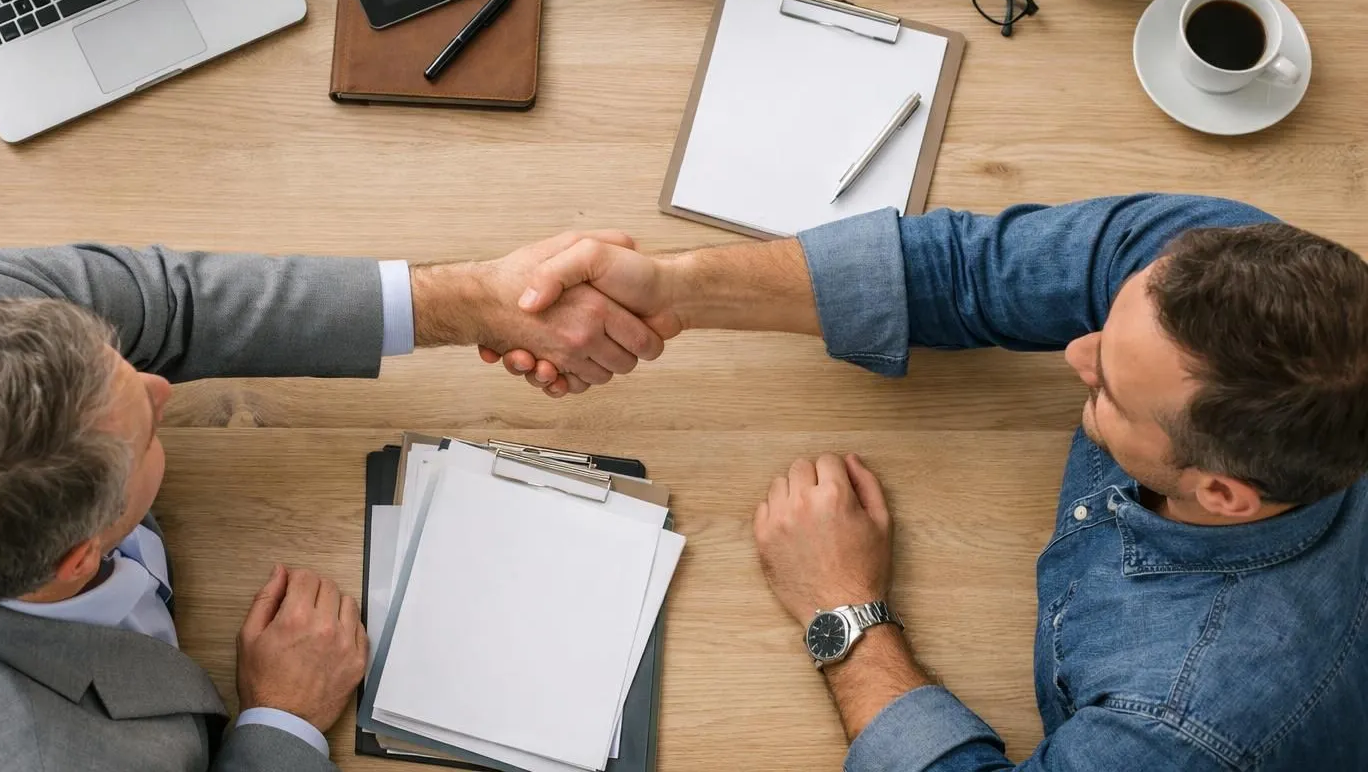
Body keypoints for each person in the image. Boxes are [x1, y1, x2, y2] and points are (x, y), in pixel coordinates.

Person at [487, 194, 1368, 770]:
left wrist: (845, 612)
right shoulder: (1226, 278)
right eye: (1106, 320)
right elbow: (970, 269)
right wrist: (674, 290)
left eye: (1108, 388)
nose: (1074, 352)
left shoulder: (1186, 727)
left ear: (1223, 496)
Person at [0, 232, 664, 772]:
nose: (164, 386)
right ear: (79, 558)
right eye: (146, 428)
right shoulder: (48, 757)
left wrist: (472, 299)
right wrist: (280, 722)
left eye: (120, 362)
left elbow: (175, 302)